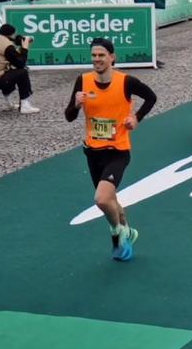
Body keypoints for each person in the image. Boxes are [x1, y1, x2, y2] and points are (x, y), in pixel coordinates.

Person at [64, 38, 157, 261]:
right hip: (93, 152)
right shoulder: (83, 81)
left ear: (112, 57)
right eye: (94, 55)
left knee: (102, 199)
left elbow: (151, 97)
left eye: (101, 55)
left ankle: (117, 232)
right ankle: (128, 232)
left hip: (117, 150)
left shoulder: (126, 82)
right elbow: (69, 116)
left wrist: (136, 118)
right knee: (111, 199)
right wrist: (76, 105)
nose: (97, 59)